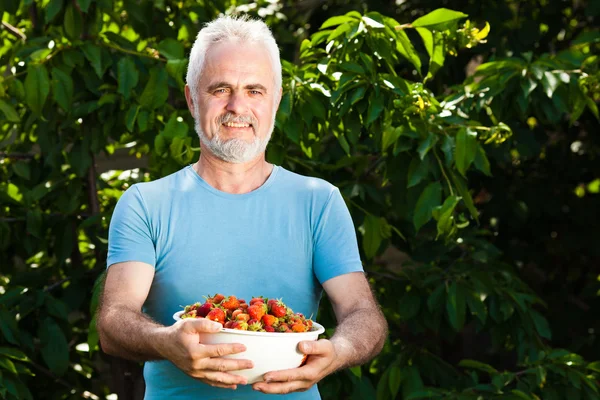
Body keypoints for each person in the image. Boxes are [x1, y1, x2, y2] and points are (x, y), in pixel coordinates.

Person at [97, 14, 388, 400]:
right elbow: (113, 321)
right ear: (190, 98)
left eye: (255, 90)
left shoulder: (319, 201)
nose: (237, 106)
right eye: (220, 89)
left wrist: (338, 352)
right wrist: (164, 340)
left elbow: (361, 314)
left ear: (276, 100)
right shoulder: (145, 204)